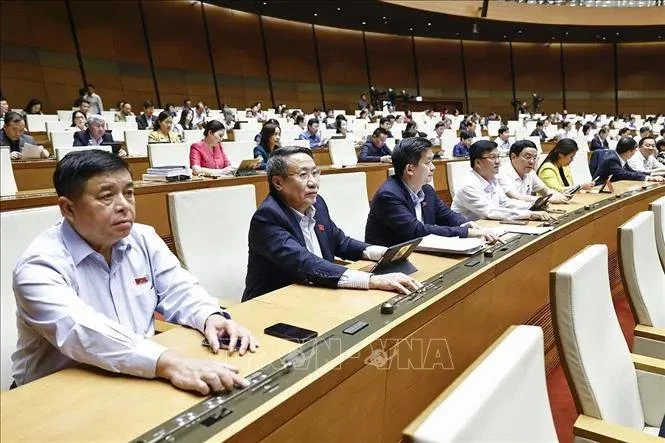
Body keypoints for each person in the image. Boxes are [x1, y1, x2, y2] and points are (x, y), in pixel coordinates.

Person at [11, 149, 257, 391]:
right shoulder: (39, 265)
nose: (123, 205)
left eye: (128, 193)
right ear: (68, 208)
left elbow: (179, 288)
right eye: (107, 196)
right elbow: (83, 332)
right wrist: (171, 363)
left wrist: (210, 316)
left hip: (133, 376)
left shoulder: (143, 238)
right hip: (54, 394)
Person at [242, 146, 422, 301]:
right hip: (273, 305)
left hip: (317, 294)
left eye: (315, 173)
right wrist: (373, 280)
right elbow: (305, 263)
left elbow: (340, 242)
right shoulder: (267, 218)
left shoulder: (316, 203)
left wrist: (385, 253)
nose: (313, 182)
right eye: (303, 175)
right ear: (278, 183)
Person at [365, 137, 498, 247]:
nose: (433, 168)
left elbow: (448, 215)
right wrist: (466, 232)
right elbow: (417, 231)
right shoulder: (389, 195)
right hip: (390, 264)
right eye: (428, 162)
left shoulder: (426, 190)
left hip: (420, 252)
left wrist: (466, 224)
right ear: (410, 169)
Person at [451, 140, 551, 222]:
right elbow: (490, 212)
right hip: (469, 234)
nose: (498, 161)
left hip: (488, 226)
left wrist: (532, 206)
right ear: (477, 162)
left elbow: (505, 203)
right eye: (493, 157)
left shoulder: (492, 179)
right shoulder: (469, 185)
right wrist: (530, 214)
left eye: (498, 157)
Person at [498, 140, 569, 204]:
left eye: (534, 158)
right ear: (513, 157)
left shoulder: (530, 172)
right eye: (528, 157)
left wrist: (559, 196)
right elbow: (516, 197)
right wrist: (547, 199)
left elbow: (545, 190)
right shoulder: (502, 173)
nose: (532, 162)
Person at [595, 137, 664, 184]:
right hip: (598, 189)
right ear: (628, 152)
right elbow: (624, 174)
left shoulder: (622, 158)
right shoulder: (612, 159)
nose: (636, 151)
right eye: (635, 150)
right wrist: (648, 178)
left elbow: (632, 172)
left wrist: (651, 175)